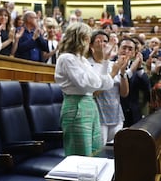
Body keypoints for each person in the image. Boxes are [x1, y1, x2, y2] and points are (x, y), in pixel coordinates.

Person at [55, 23, 124, 156]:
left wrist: (104, 62)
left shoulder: (82, 60)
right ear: (81, 39)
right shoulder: (66, 58)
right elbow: (85, 84)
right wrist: (98, 81)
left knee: (96, 151)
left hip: (90, 106)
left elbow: (105, 84)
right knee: (81, 154)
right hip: (76, 107)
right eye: (88, 38)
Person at [88, 31, 129, 145]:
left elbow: (124, 93)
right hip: (99, 117)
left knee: (117, 153)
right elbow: (93, 93)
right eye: (99, 41)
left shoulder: (113, 64)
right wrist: (113, 73)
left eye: (105, 41)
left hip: (116, 115)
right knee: (100, 152)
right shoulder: (87, 65)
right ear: (91, 45)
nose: (103, 44)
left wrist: (122, 72)